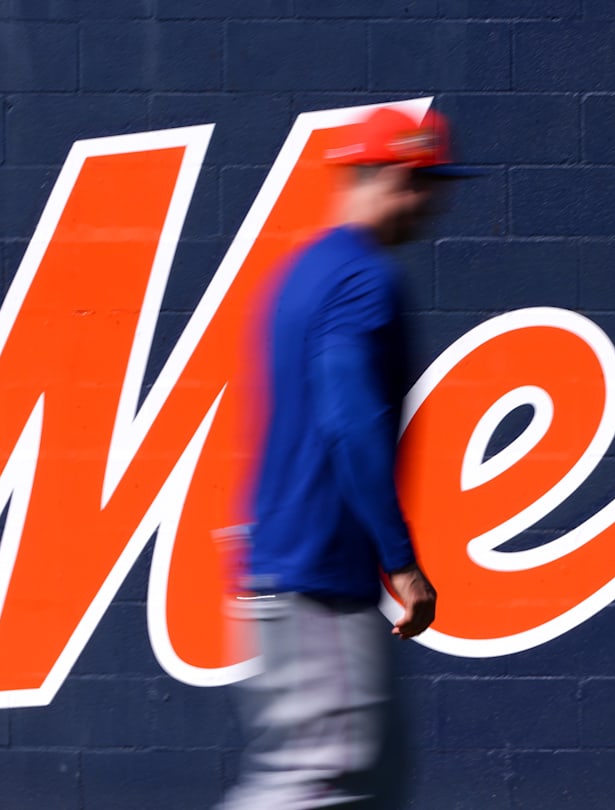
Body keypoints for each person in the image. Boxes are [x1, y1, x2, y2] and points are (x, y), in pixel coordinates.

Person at [221, 106, 475, 809]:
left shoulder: (301, 273)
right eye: (423, 183)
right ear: (390, 177)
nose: (432, 202)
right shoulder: (365, 278)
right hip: (321, 573)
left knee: (376, 778)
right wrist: (399, 558)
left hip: (292, 565)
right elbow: (349, 422)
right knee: (323, 775)